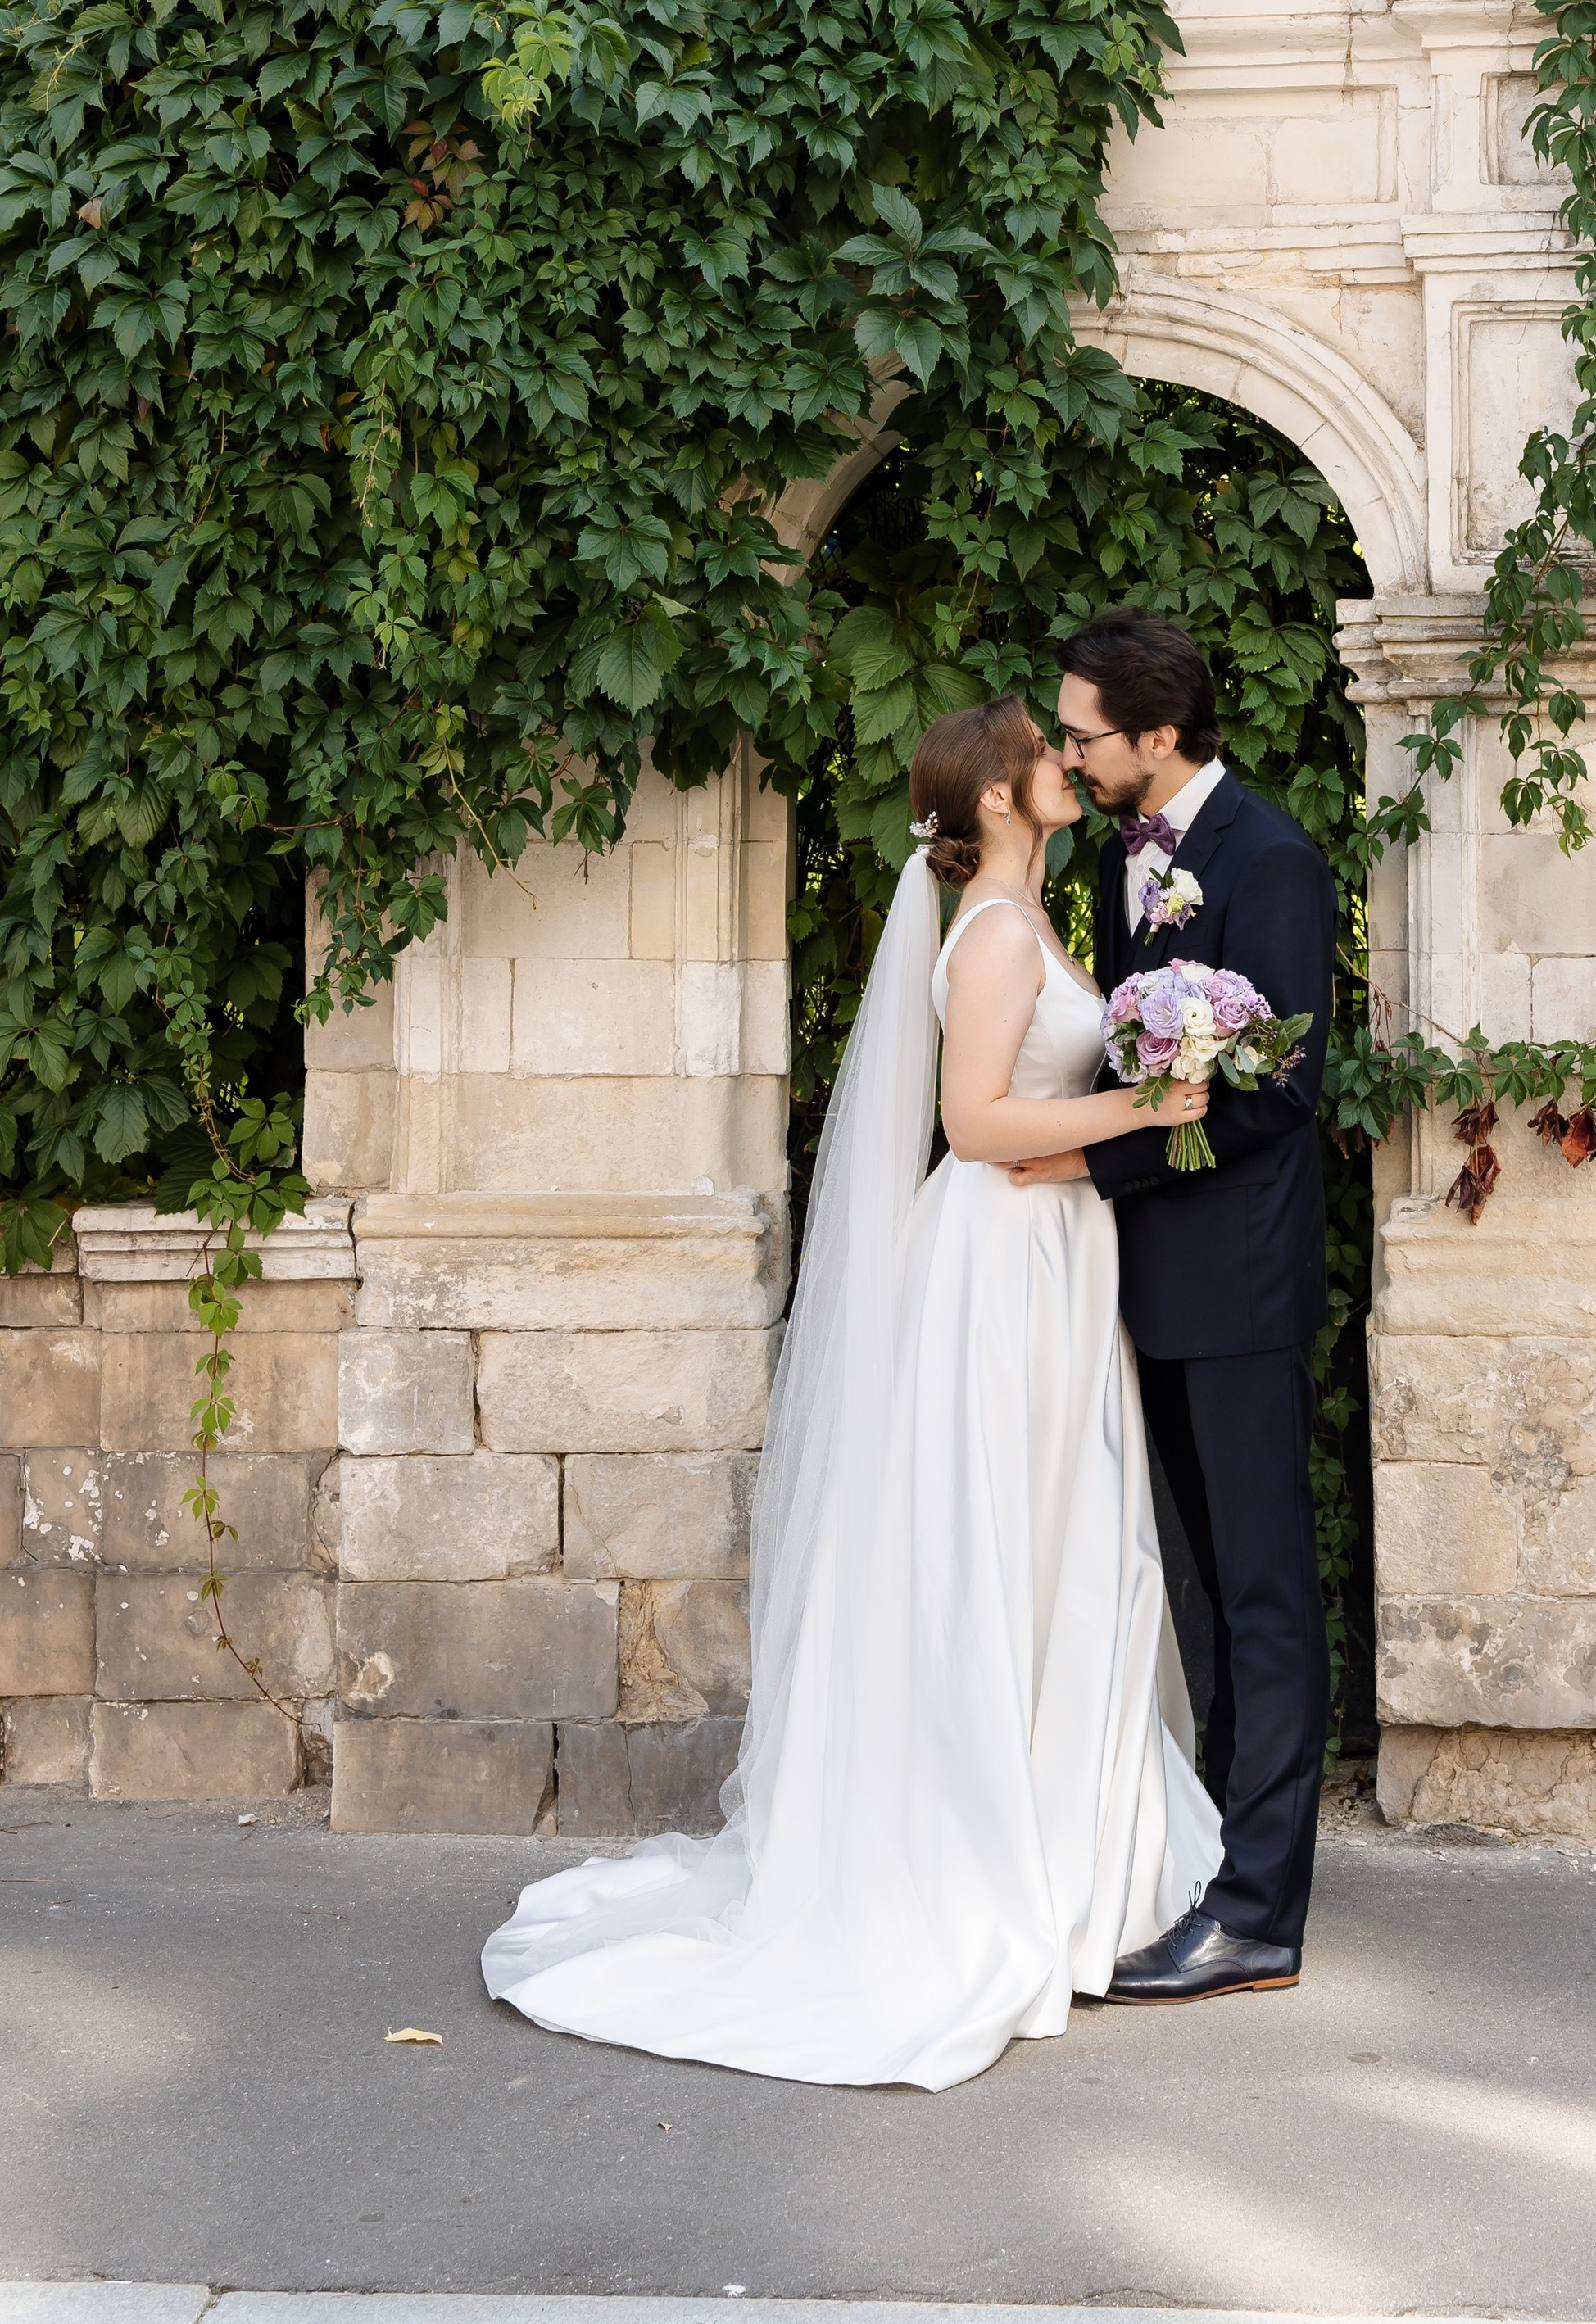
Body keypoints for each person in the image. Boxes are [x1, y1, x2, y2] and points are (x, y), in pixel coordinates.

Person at [481, 692, 1220, 2091]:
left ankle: (1066, 1827)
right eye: (1041, 756)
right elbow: (976, 1125)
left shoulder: (1030, 916)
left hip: (1048, 1253)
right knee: (1010, 1542)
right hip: (1002, 1269)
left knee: (1064, 1536)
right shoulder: (996, 933)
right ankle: (995, 1844)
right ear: (996, 799)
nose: (1067, 764)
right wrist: (1145, 1108)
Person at [1009, 608, 1336, 2005]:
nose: (1071, 756)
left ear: (1158, 735)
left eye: (1086, 735)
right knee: (1199, 1583)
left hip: (1244, 1286)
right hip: (1151, 1277)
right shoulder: (1135, 865)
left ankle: (1261, 1913)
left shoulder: (1271, 863)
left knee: (1263, 1593)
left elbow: (1269, 1092)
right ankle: (1213, 1850)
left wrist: (1075, 1153)